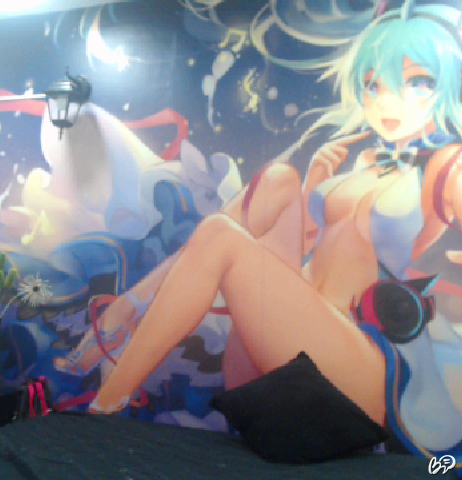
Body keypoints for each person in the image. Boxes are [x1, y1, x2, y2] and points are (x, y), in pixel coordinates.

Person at [57, 1, 462, 464]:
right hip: (292, 345)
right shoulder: (362, 159)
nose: (388, 101)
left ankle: (110, 389)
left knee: (220, 235)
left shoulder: (449, 167)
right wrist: (317, 181)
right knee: (278, 180)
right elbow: (309, 248)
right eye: (374, 85)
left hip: (361, 368)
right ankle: (129, 312)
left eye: (416, 82)